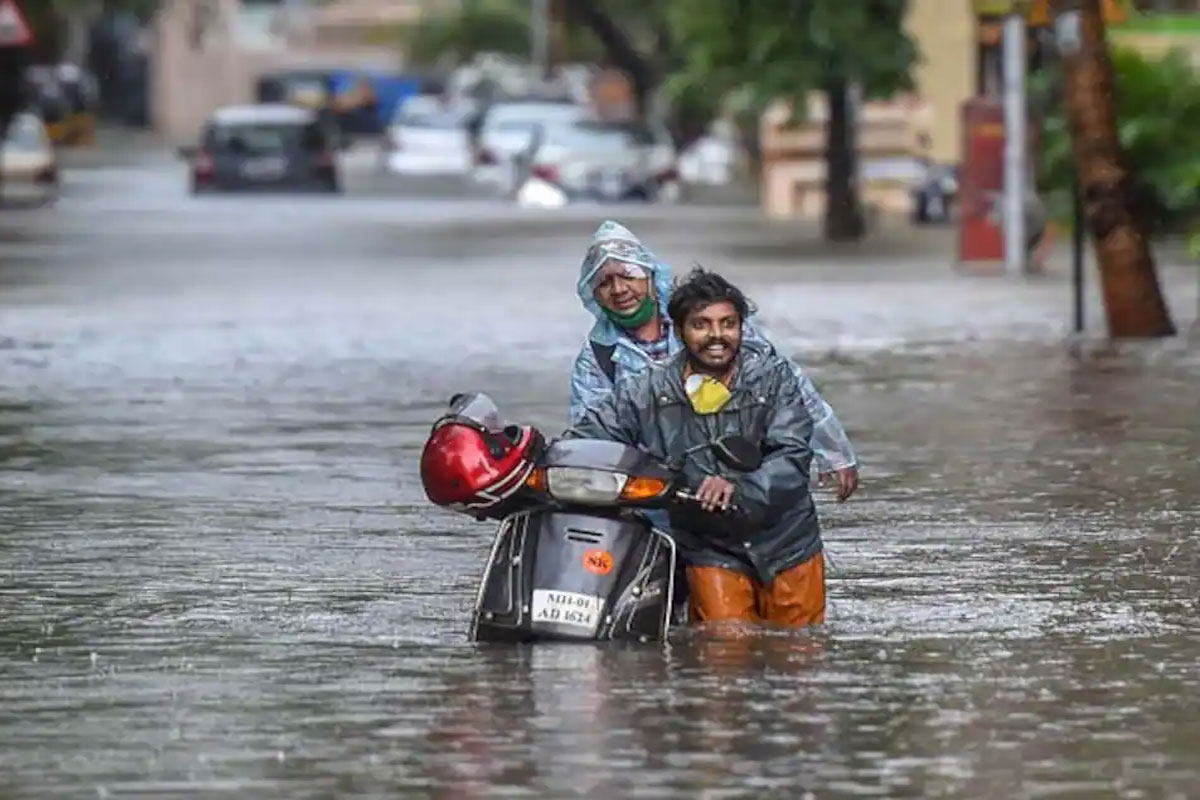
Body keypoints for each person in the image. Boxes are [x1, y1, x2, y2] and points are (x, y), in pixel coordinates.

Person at [569, 268, 826, 626]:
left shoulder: (773, 378)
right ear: (679, 331)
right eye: (701, 324)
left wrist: (738, 487)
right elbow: (586, 438)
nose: (717, 336)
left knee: (799, 654)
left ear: (741, 328)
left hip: (787, 541)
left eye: (728, 323)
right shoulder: (644, 391)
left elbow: (793, 455)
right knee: (724, 654)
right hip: (708, 544)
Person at [569, 220, 859, 501]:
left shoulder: (714, 325)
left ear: (652, 277)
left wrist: (834, 452)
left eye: (628, 276)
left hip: (740, 476)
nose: (619, 290)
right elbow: (591, 434)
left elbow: (790, 392)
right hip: (656, 489)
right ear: (593, 293)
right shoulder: (597, 357)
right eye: (605, 282)